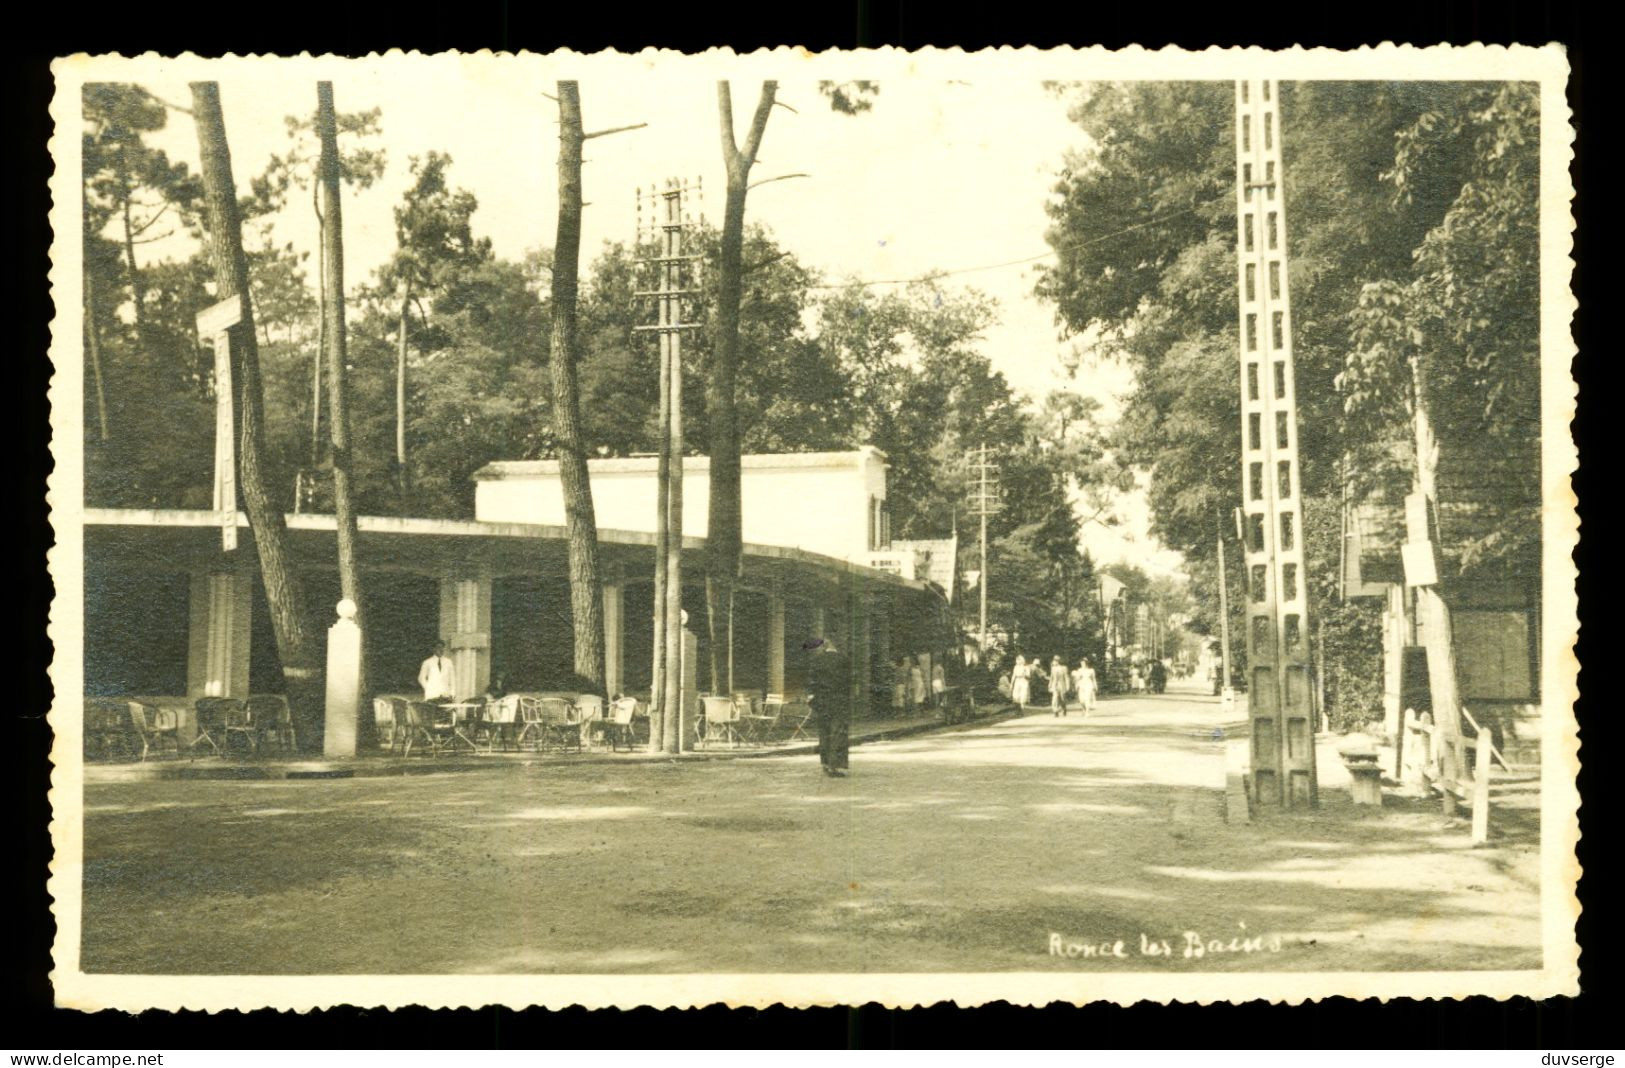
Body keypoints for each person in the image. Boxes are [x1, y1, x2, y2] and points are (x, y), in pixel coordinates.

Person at [805, 636, 850, 777]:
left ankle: (824, 763)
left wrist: (812, 697)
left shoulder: (817, 660)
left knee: (824, 732)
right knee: (837, 732)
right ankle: (834, 766)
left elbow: (811, 681)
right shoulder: (844, 660)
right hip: (838, 701)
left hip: (821, 702)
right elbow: (848, 681)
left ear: (824, 646)